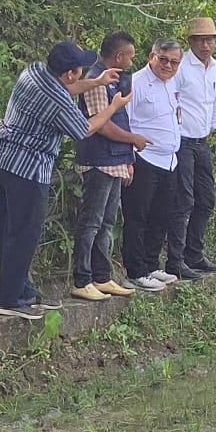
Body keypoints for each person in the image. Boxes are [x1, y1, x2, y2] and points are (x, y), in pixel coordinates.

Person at [0, 42, 131, 320]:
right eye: (80, 69)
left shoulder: (34, 71)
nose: (82, 72)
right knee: (24, 234)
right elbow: (84, 129)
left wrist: (96, 82)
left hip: (1, 162)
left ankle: (22, 293)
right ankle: (8, 299)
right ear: (69, 73)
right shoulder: (58, 101)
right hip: (26, 170)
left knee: (9, 230)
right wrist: (113, 106)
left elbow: (66, 89)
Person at [71, 32, 150, 301]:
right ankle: (82, 279)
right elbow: (100, 124)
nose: (132, 59)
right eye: (130, 54)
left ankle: (102, 277)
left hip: (115, 160)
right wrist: (133, 141)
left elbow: (119, 117)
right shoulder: (96, 80)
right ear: (118, 56)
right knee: (91, 222)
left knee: (107, 222)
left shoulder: (115, 80)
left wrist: (127, 158)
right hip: (98, 160)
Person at [165, 17, 216, 280]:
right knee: (184, 200)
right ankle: (176, 260)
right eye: (201, 40)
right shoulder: (181, 67)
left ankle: (194, 253)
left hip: (202, 142)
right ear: (191, 42)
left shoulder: (215, 68)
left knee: (206, 199)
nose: (206, 45)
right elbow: (170, 98)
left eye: (210, 39)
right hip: (181, 141)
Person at [121, 40, 183, 291]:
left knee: (162, 215)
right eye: (163, 59)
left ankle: (150, 263)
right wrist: (127, 157)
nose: (168, 65)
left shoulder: (172, 83)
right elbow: (124, 122)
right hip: (144, 158)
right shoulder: (136, 83)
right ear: (151, 57)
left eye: (174, 62)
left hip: (169, 160)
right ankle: (135, 270)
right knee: (138, 216)